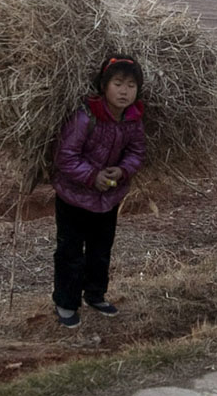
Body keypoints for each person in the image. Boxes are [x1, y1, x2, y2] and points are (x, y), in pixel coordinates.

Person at [50, 55, 146, 328]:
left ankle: (95, 295)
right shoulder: (85, 116)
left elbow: (137, 152)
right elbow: (65, 157)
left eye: (131, 85)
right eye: (118, 83)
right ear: (104, 85)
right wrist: (93, 176)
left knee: (101, 249)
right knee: (70, 251)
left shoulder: (133, 119)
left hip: (107, 200)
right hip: (73, 197)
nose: (124, 91)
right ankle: (66, 303)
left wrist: (123, 170)